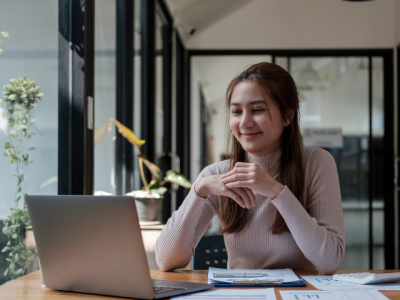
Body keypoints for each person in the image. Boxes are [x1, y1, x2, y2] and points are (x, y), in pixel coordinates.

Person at [155, 62, 345, 275]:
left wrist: (277, 192)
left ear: (287, 116)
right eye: (236, 111)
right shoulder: (216, 176)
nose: (244, 122)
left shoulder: (316, 163)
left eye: (257, 110)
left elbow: (330, 260)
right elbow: (166, 260)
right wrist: (199, 190)